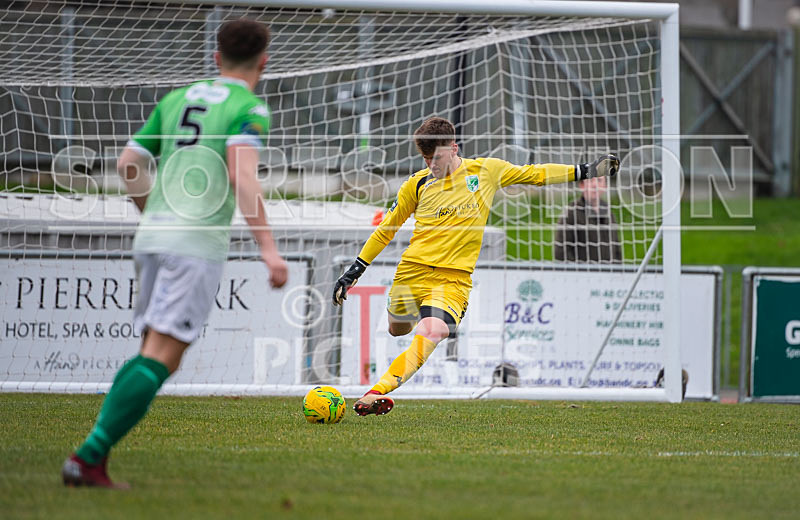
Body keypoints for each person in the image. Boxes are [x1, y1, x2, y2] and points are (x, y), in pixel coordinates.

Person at [61, 19, 288, 488]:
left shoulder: (176, 98)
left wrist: (150, 213)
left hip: (153, 236)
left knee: (155, 350)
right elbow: (242, 176)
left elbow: (128, 165)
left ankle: (93, 458)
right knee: (162, 355)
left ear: (215, 57)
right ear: (264, 61)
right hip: (195, 243)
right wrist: (269, 250)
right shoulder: (250, 107)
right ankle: (88, 456)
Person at [332, 116, 618, 415]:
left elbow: (535, 174)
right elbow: (386, 229)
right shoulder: (416, 184)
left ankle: (377, 392)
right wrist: (355, 270)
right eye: (427, 159)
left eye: (438, 157)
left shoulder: (486, 171)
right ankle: (412, 328)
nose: (432, 165)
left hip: (453, 280)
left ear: (454, 148)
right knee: (396, 329)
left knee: (434, 330)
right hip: (411, 272)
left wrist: (586, 171)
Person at [554, 175, 622, 263]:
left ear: (605, 186)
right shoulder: (571, 213)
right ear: (582, 185)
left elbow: (616, 250)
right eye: (590, 181)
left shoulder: (609, 213)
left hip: (608, 274)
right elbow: (561, 252)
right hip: (582, 274)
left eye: (599, 181)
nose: (594, 185)